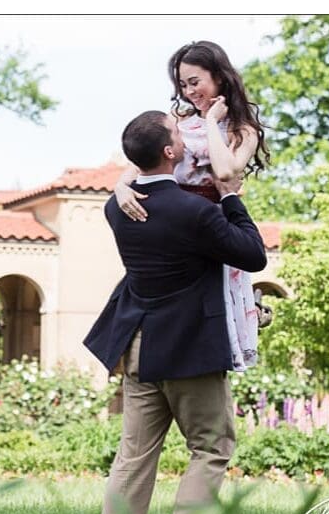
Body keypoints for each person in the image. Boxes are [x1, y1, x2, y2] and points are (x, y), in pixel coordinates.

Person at [83, 110, 266, 514]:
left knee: (134, 456)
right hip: (188, 351)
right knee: (211, 447)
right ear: (171, 151)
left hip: (138, 349)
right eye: (176, 130)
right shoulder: (193, 212)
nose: (184, 134)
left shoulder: (118, 206)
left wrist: (120, 182)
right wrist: (231, 197)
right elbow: (253, 255)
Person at [115, 40, 271, 371]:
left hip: (211, 226)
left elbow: (227, 171)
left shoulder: (242, 130)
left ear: (219, 76)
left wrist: (212, 122)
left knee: (213, 309)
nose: (189, 92)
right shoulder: (178, 122)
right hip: (173, 224)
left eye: (195, 81)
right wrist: (120, 188)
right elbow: (138, 166)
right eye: (183, 85)